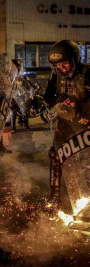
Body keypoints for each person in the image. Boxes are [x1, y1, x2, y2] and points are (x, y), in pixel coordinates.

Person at [44, 40, 90, 205]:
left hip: (85, 125)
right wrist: (57, 100)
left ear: (74, 59)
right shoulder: (56, 75)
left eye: (65, 64)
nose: (62, 69)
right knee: (56, 156)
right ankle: (54, 196)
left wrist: (80, 107)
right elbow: (47, 98)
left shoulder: (87, 74)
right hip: (64, 124)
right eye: (58, 65)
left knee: (86, 161)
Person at [10, 59, 33, 132]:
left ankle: (26, 126)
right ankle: (13, 128)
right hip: (14, 98)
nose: (17, 69)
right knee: (13, 113)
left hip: (22, 98)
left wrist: (31, 95)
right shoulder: (10, 78)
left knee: (24, 112)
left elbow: (31, 86)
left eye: (17, 67)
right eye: (16, 67)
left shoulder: (23, 78)